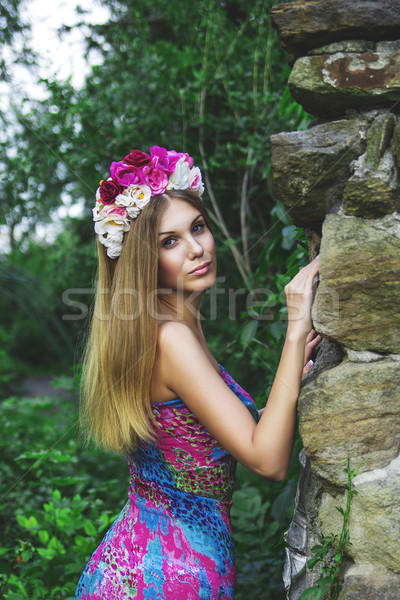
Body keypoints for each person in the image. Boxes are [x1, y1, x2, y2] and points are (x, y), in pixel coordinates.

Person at [74, 146, 320, 600]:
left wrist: (291, 379)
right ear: (144, 261)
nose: (196, 248)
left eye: (198, 227)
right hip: (171, 576)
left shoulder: (169, 330)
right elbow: (267, 460)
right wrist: (294, 329)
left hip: (137, 564)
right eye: (169, 242)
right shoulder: (172, 340)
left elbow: (203, 439)